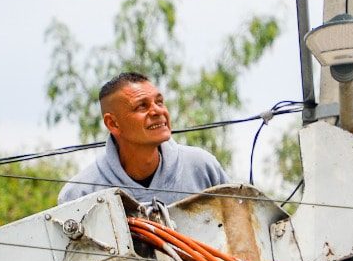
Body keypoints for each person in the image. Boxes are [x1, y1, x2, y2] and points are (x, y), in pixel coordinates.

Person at [58, 71, 228, 205]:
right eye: (142, 106)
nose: (158, 111)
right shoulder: (80, 193)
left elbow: (241, 233)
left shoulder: (201, 166)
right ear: (113, 124)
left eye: (159, 102)